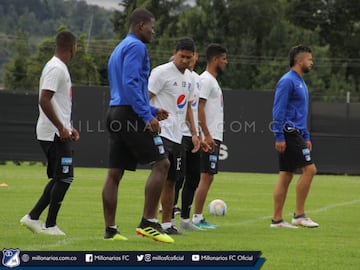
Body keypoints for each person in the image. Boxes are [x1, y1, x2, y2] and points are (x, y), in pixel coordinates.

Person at [103, 8, 174, 243]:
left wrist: (152, 110)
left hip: (116, 111)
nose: (154, 31)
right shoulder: (137, 47)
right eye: (152, 27)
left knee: (114, 173)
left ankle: (111, 230)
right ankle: (149, 222)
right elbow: (131, 84)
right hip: (130, 115)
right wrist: (146, 116)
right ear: (141, 25)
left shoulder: (119, 48)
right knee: (162, 163)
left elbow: (125, 89)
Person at [20, 30, 80, 236]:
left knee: (60, 178)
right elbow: (44, 99)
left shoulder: (57, 66)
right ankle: (50, 225)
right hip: (53, 134)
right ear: (73, 48)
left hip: (57, 131)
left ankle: (33, 217)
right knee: (65, 178)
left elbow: (57, 102)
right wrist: (61, 128)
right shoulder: (56, 68)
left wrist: (68, 127)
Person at [149, 37, 200, 235]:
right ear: (175, 53)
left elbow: (187, 107)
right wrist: (150, 117)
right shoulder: (161, 72)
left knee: (172, 180)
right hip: (161, 133)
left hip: (179, 136)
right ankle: (149, 220)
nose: (185, 61)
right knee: (159, 176)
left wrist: (194, 134)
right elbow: (146, 97)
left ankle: (167, 224)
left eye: (189, 57)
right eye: (182, 56)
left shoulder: (189, 79)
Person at [271, 45, 319, 228]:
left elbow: (301, 112)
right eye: (309, 59)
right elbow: (278, 109)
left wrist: (306, 135)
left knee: (286, 175)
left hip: (297, 132)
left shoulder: (301, 82)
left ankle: (276, 220)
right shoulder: (287, 81)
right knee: (310, 170)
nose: (311, 63)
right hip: (289, 132)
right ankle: (299, 215)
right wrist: (279, 136)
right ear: (299, 61)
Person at [192, 44, 228, 229]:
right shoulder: (206, 80)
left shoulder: (212, 80)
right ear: (215, 60)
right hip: (209, 135)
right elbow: (199, 107)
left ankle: (190, 214)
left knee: (205, 176)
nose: (226, 62)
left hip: (213, 134)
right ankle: (197, 218)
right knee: (206, 176)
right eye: (224, 59)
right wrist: (205, 134)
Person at [173, 52, 207, 231]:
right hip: (178, 134)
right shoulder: (174, 76)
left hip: (193, 134)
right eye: (186, 55)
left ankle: (185, 220)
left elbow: (193, 107)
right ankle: (168, 217)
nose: (190, 59)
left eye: (193, 55)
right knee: (176, 178)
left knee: (194, 177)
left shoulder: (196, 79)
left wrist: (199, 133)